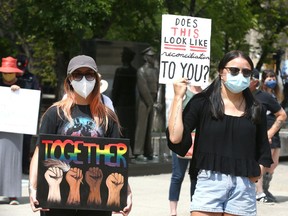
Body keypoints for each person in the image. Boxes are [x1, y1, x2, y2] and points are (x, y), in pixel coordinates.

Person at [167, 50, 273, 216]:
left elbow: (263, 147)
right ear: (221, 72)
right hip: (209, 182)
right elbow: (175, 137)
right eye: (234, 70)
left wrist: (256, 172)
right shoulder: (202, 102)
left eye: (246, 72)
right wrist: (178, 97)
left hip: (243, 187)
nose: (240, 75)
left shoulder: (256, 108)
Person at [29, 55, 132, 216]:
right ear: (70, 79)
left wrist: (126, 192)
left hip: (95, 203)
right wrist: (33, 188)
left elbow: (118, 160)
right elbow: (39, 153)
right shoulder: (54, 113)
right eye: (78, 74)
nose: (84, 79)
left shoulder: (108, 117)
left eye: (89, 74)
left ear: (96, 79)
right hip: (56, 201)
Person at [250, 69, 286, 203]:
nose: (271, 79)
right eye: (268, 77)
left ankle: (265, 188)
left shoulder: (275, 95)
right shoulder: (261, 95)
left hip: (275, 130)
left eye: (273, 77)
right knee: (264, 161)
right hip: (267, 129)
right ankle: (259, 191)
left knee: (274, 163)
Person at [169, 85, 202, 216]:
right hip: (182, 138)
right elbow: (172, 114)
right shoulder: (182, 92)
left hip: (199, 141)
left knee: (196, 177)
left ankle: (194, 208)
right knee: (177, 176)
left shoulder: (206, 94)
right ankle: (173, 211)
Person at [0, 56, 25, 205]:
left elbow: (30, 103)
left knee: (13, 159)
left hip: (15, 128)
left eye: (10, 73)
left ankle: (13, 195)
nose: (7, 75)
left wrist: (19, 92)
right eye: (5, 73)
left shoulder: (25, 85)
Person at [16, 54, 41, 174]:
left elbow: (37, 95)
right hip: (12, 115)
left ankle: (24, 166)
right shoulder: (12, 77)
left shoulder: (32, 78)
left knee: (26, 143)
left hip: (26, 116)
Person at [133, 47, 159, 161]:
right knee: (142, 127)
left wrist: (155, 101)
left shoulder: (155, 70)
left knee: (149, 127)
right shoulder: (141, 70)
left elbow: (157, 87)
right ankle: (138, 152)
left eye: (153, 56)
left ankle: (148, 151)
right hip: (144, 102)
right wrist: (151, 103)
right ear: (145, 57)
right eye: (151, 56)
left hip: (152, 101)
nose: (153, 58)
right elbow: (143, 88)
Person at [112, 47, 137, 155]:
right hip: (129, 103)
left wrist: (113, 102)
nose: (122, 57)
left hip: (122, 104)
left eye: (123, 56)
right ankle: (128, 149)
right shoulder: (134, 71)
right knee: (128, 127)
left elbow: (115, 88)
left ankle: (123, 149)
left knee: (122, 127)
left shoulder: (121, 71)